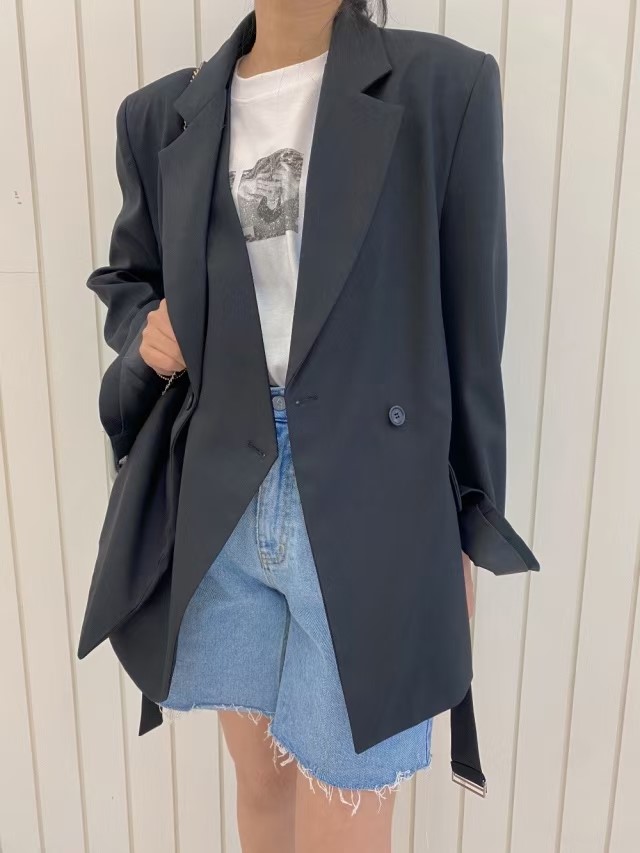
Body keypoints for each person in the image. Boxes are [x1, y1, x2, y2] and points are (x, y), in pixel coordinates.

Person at [86, 1, 540, 850]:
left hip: (374, 505)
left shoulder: (444, 88)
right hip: (220, 497)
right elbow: (129, 278)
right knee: (260, 787)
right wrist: (146, 326)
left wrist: (467, 524)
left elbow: (474, 339)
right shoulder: (162, 114)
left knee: (346, 813)